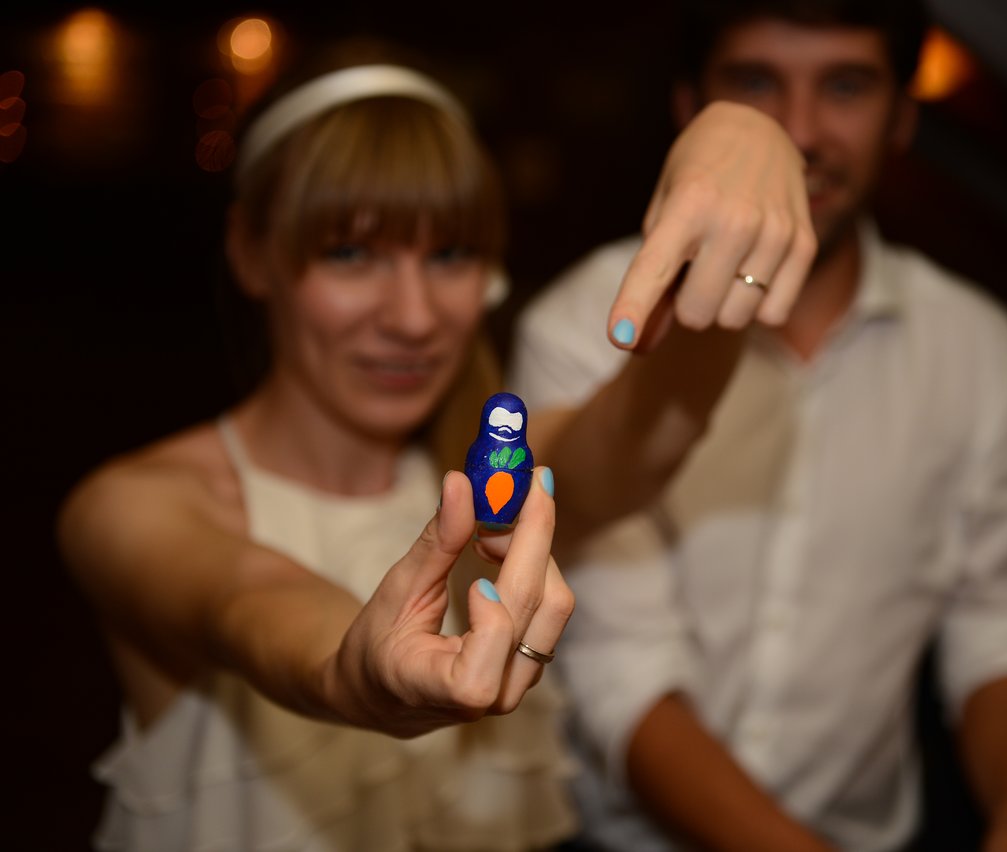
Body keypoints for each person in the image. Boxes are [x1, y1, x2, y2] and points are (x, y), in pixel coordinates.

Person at [55, 35, 815, 851]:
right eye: (351, 253)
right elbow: (251, 603)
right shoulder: (133, 506)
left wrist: (737, 164)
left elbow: (642, 436)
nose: (415, 317)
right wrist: (354, 672)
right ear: (251, 252)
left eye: (450, 254)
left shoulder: (494, 485)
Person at [510, 2, 1007, 849]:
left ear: (902, 119)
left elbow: (994, 623)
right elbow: (615, 664)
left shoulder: (977, 346)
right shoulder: (582, 321)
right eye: (756, 84)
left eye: (845, 87)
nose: (800, 133)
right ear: (689, 110)